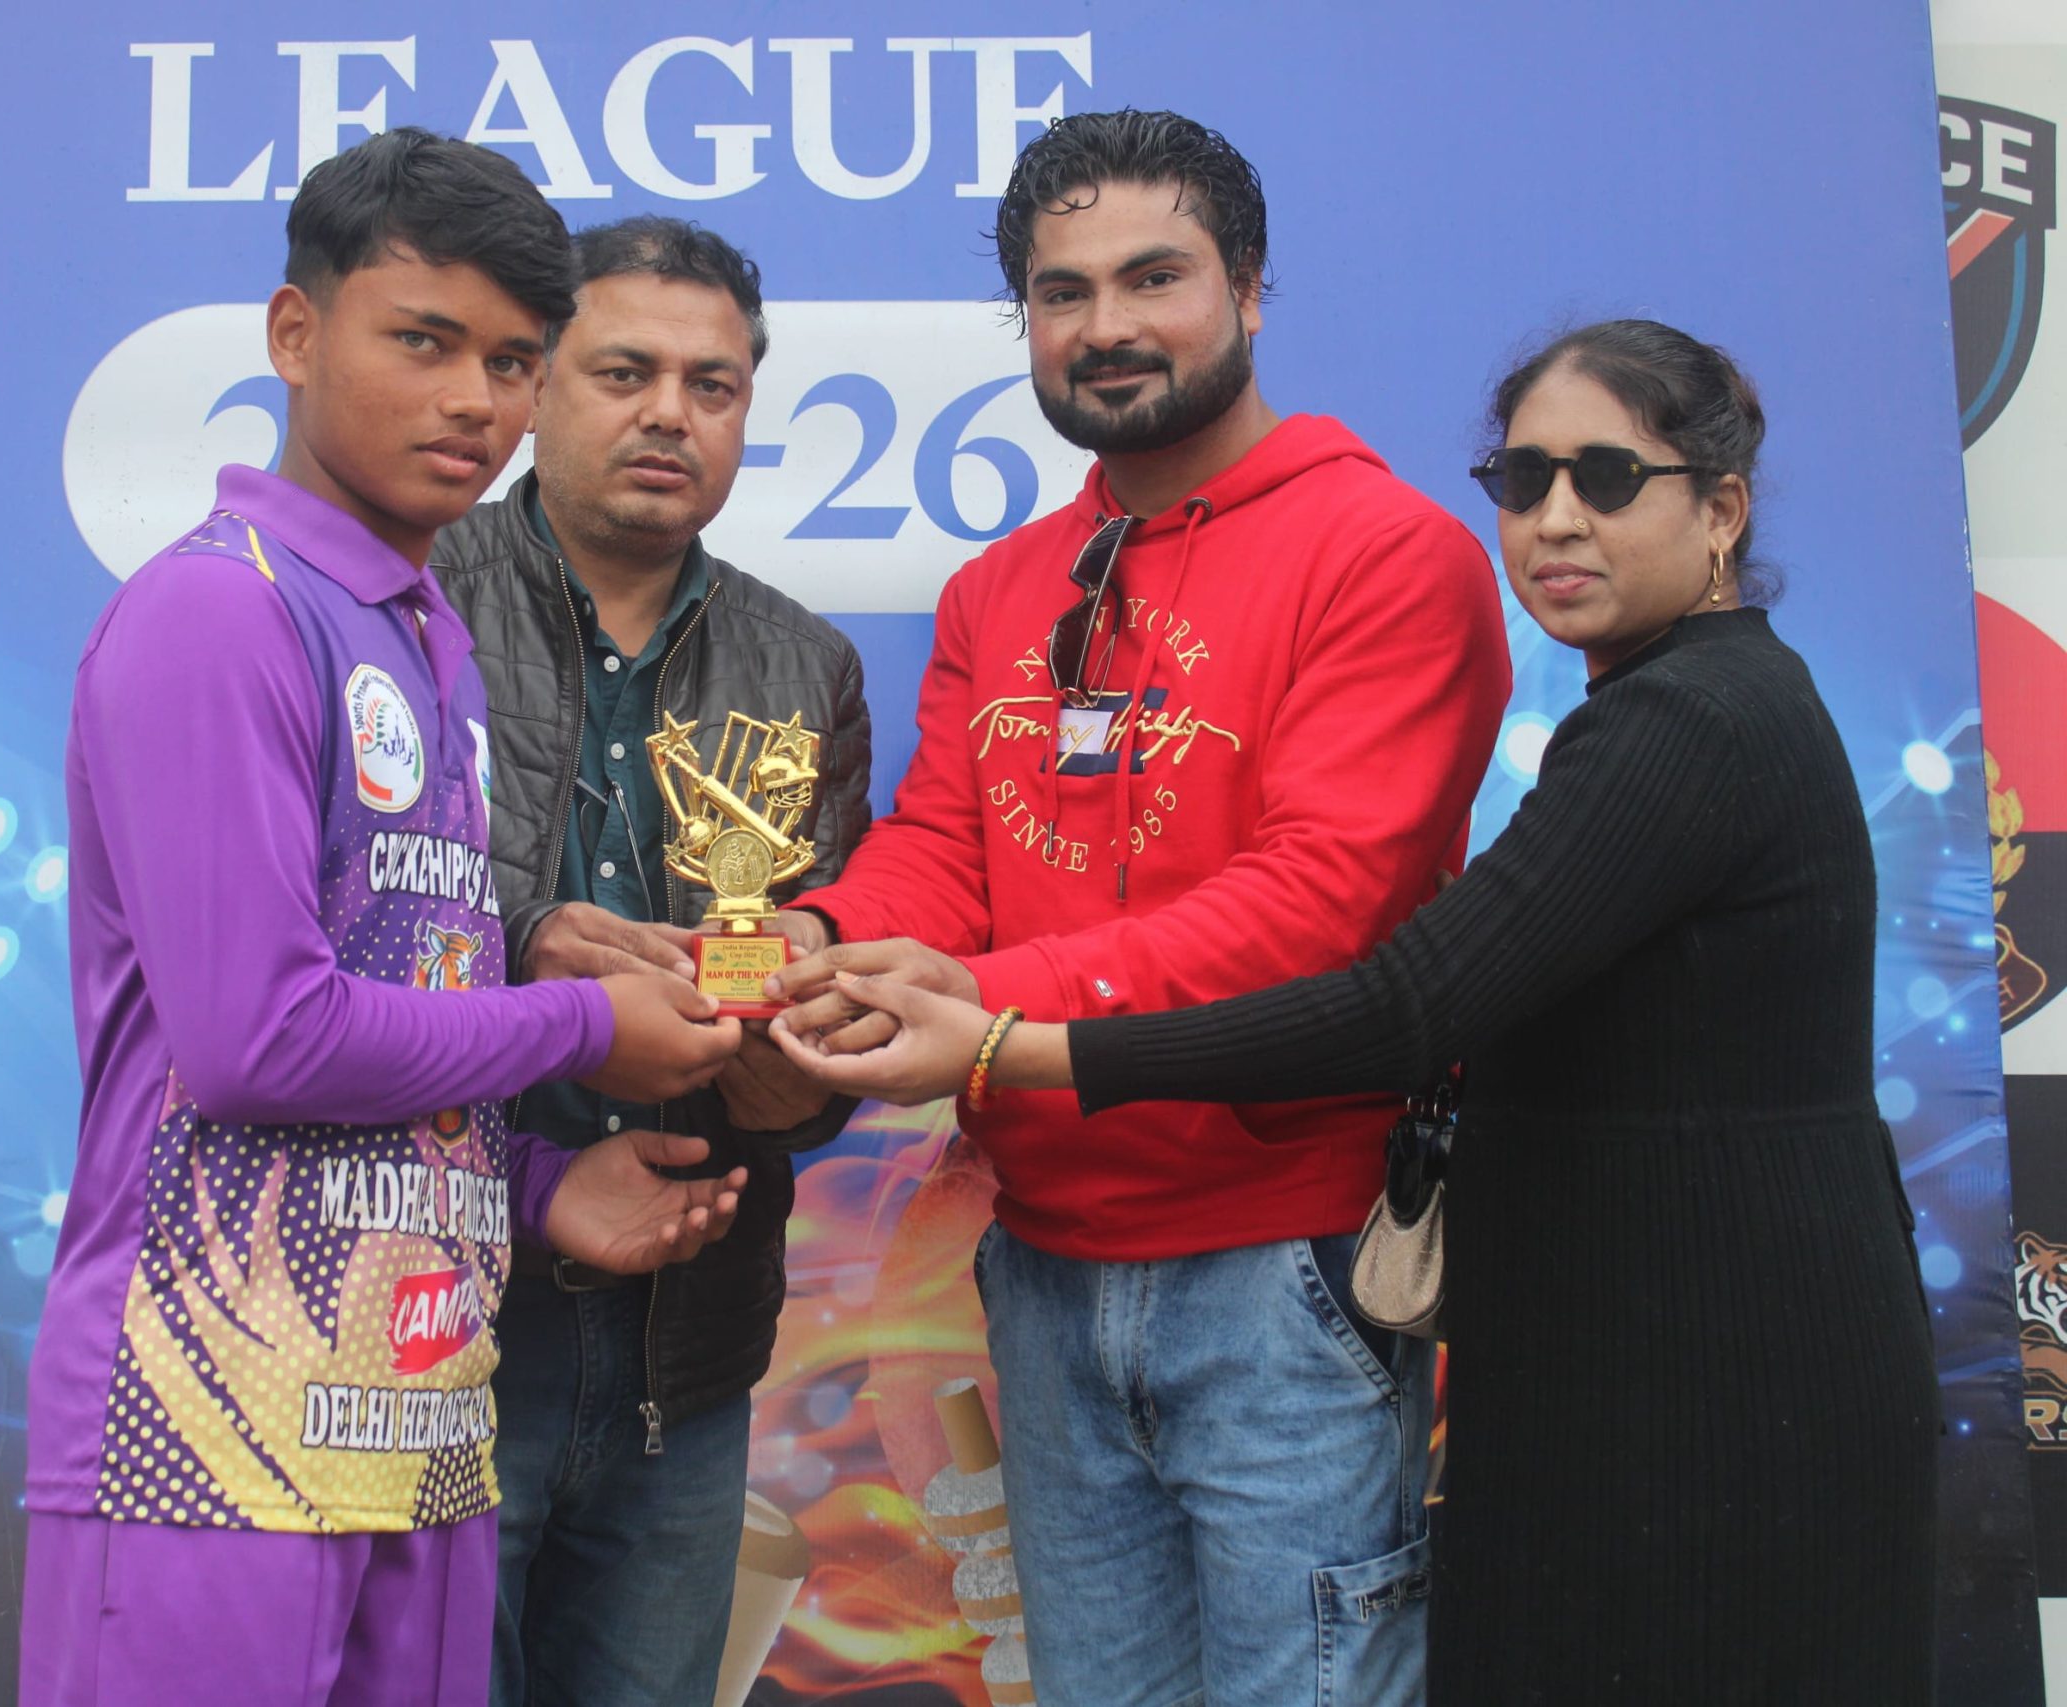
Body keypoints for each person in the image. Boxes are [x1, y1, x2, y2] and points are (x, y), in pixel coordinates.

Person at [775, 319, 1941, 1705]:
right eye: (1524, 479)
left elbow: (1403, 1003)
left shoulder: (1689, 719)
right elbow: (948, 844)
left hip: (1711, 1376)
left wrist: (1014, 1045)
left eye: (1611, 478)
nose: (1556, 519)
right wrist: (831, 935)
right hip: (1638, 1347)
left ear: (1723, 509)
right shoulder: (1668, 704)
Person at [765, 111, 1511, 1706]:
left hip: (1288, 1272)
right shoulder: (1001, 587)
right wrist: (823, 942)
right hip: (1039, 1261)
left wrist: (979, 1015)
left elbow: (1321, 910)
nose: (1106, 325)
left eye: (1153, 277)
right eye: (1063, 292)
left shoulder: (1389, 553)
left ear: (1249, 286)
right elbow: (944, 846)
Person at [21, 132, 753, 1707]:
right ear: (296, 335)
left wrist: (537, 1183)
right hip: (199, 1418)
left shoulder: (424, 642)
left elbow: (393, 999)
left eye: (511, 360)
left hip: (415, 1423)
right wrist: (584, 1025)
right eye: (422, 341)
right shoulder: (219, 609)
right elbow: (257, 1041)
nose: (473, 401)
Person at [430, 216, 870, 1707]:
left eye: (712, 385)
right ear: (534, 383)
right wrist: (531, 960)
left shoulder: (806, 665)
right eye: (625, 372)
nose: (670, 413)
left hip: (687, 1349)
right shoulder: (404, 602)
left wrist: (791, 1072)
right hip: (433, 1316)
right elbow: (315, 942)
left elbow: (818, 1024)